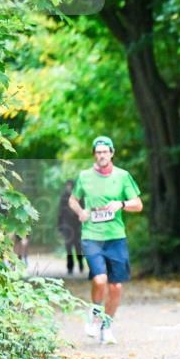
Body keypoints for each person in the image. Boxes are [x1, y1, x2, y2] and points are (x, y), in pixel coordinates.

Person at [68, 136, 143, 344]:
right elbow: (72, 200)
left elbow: (138, 204)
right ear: (94, 154)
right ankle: (94, 314)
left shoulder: (122, 176)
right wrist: (81, 211)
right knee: (100, 279)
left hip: (116, 237)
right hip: (92, 236)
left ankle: (106, 326)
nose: (101, 155)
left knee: (116, 287)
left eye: (105, 151)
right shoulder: (84, 176)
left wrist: (121, 204)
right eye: (98, 152)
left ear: (112, 153)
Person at [57, 179, 83, 275]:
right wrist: (60, 227)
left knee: (78, 246)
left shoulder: (78, 196)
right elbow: (60, 213)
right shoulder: (63, 196)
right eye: (67, 185)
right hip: (66, 225)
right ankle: (70, 266)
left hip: (76, 225)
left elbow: (82, 210)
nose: (68, 187)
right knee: (68, 247)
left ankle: (80, 263)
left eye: (70, 185)